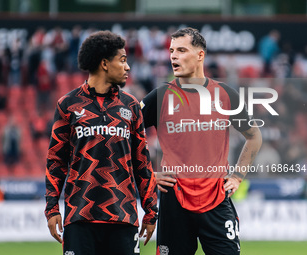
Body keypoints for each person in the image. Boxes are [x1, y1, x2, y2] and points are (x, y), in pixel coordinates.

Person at [141, 27, 262, 255]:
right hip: (174, 199)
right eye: (171, 51)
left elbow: (254, 136)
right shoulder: (160, 96)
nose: (173, 56)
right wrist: (147, 173)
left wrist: (237, 176)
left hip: (216, 199)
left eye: (181, 50)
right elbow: (121, 136)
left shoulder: (225, 94)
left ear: (200, 55)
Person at [45, 31, 158, 255]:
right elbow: (56, 161)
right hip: (79, 218)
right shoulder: (68, 104)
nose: (128, 67)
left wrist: (151, 210)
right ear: (105, 63)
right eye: (123, 60)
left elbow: (142, 163)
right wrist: (51, 209)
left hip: (123, 217)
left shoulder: (132, 106)